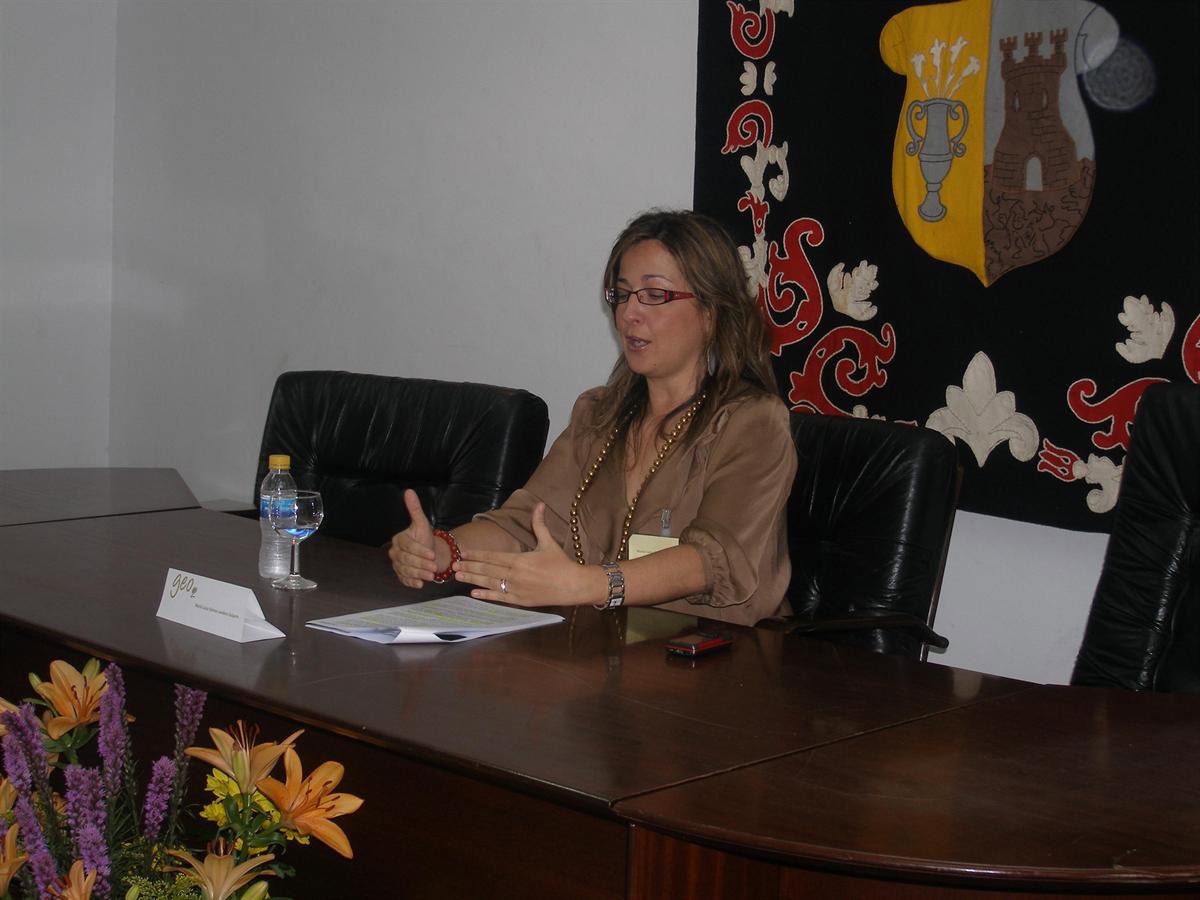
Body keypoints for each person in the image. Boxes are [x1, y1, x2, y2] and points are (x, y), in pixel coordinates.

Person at [389, 210, 797, 626]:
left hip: (713, 651)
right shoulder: (599, 414)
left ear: (711, 311)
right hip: (602, 645)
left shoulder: (753, 423)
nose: (629, 313)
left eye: (654, 295)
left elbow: (714, 559)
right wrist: (443, 550)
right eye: (622, 294)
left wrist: (588, 585)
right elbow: (525, 524)